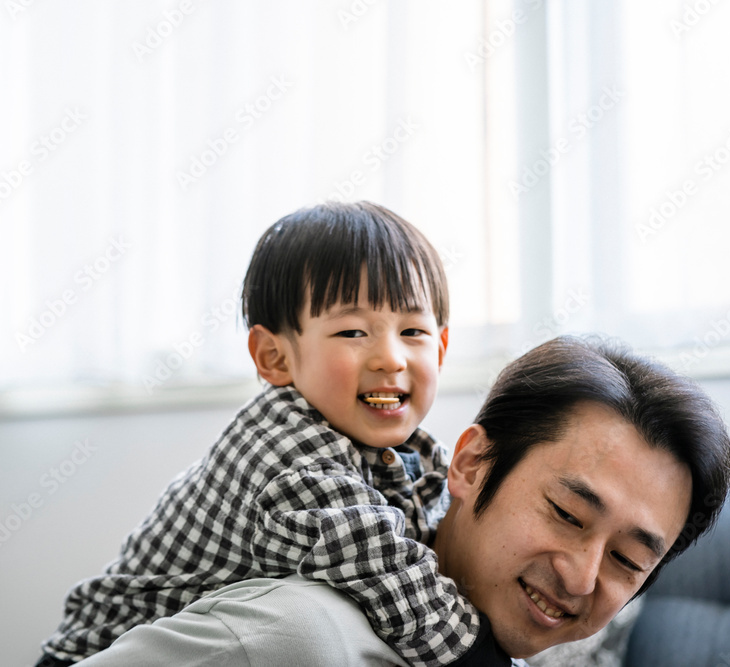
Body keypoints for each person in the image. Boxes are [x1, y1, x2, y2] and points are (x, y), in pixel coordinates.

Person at [70, 335, 730, 666]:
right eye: (566, 514)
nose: (583, 578)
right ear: (470, 465)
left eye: (627, 559)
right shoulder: (298, 637)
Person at [36, 201, 497, 666]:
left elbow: (445, 536)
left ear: (441, 349)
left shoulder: (415, 451)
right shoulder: (288, 454)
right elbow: (393, 577)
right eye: (353, 332)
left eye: (413, 331)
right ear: (275, 357)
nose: (391, 358)